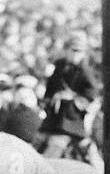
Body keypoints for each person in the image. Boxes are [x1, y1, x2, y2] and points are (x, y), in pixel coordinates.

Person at [38, 32, 99, 160]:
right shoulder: (59, 67)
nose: (76, 54)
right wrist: (50, 100)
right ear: (66, 50)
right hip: (55, 116)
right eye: (74, 50)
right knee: (38, 142)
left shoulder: (85, 71)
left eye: (80, 51)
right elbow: (50, 89)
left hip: (71, 119)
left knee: (58, 148)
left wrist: (74, 99)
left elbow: (91, 93)